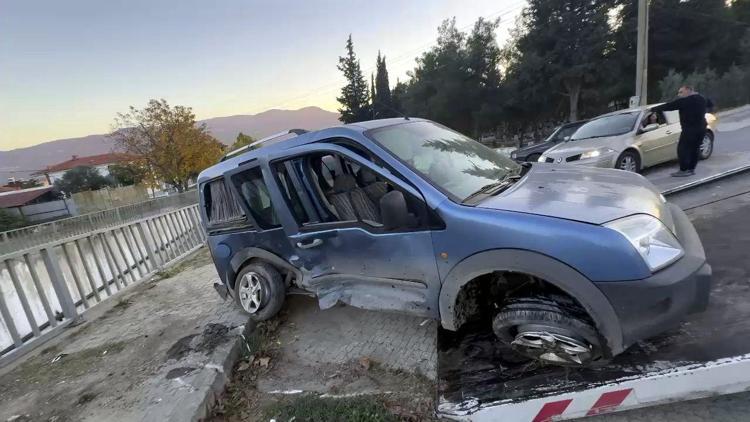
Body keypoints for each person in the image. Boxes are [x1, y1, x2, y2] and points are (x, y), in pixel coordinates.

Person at [651, 85, 714, 177]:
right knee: (695, 148)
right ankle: (691, 169)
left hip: (689, 129)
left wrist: (653, 109)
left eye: (681, 92)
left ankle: (684, 170)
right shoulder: (702, 98)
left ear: (689, 90)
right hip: (701, 128)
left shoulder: (685, 101)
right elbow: (711, 104)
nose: (679, 94)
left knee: (682, 149)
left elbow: (669, 106)